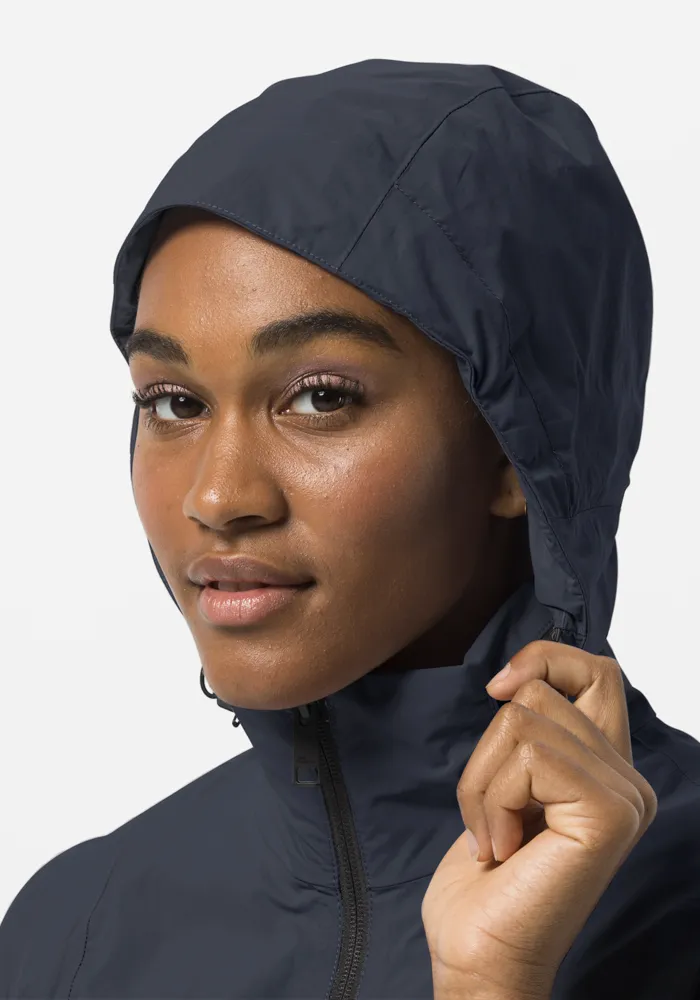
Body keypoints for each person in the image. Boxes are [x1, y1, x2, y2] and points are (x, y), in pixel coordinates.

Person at [1, 58, 698, 1000]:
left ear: (520, 444)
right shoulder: (73, 930)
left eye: (320, 397)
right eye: (173, 402)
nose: (218, 495)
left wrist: (495, 979)